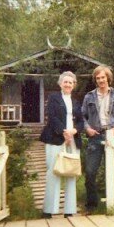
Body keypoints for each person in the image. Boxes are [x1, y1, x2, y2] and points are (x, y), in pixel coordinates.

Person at [82, 65, 114, 214]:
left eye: (103, 77)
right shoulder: (89, 96)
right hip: (95, 137)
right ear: (95, 80)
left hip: (112, 137)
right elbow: (82, 117)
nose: (101, 80)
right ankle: (92, 204)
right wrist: (87, 129)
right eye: (98, 78)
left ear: (108, 78)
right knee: (90, 171)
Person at [40, 71, 84, 218]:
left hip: (73, 140)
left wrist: (74, 130)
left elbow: (81, 121)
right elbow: (51, 117)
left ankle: (69, 210)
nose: (68, 84)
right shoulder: (53, 98)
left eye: (70, 82)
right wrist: (63, 132)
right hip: (55, 138)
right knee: (53, 172)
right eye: (65, 82)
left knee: (71, 173)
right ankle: (49, 210)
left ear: (74, 85)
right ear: (60, 84)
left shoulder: (76, 102)